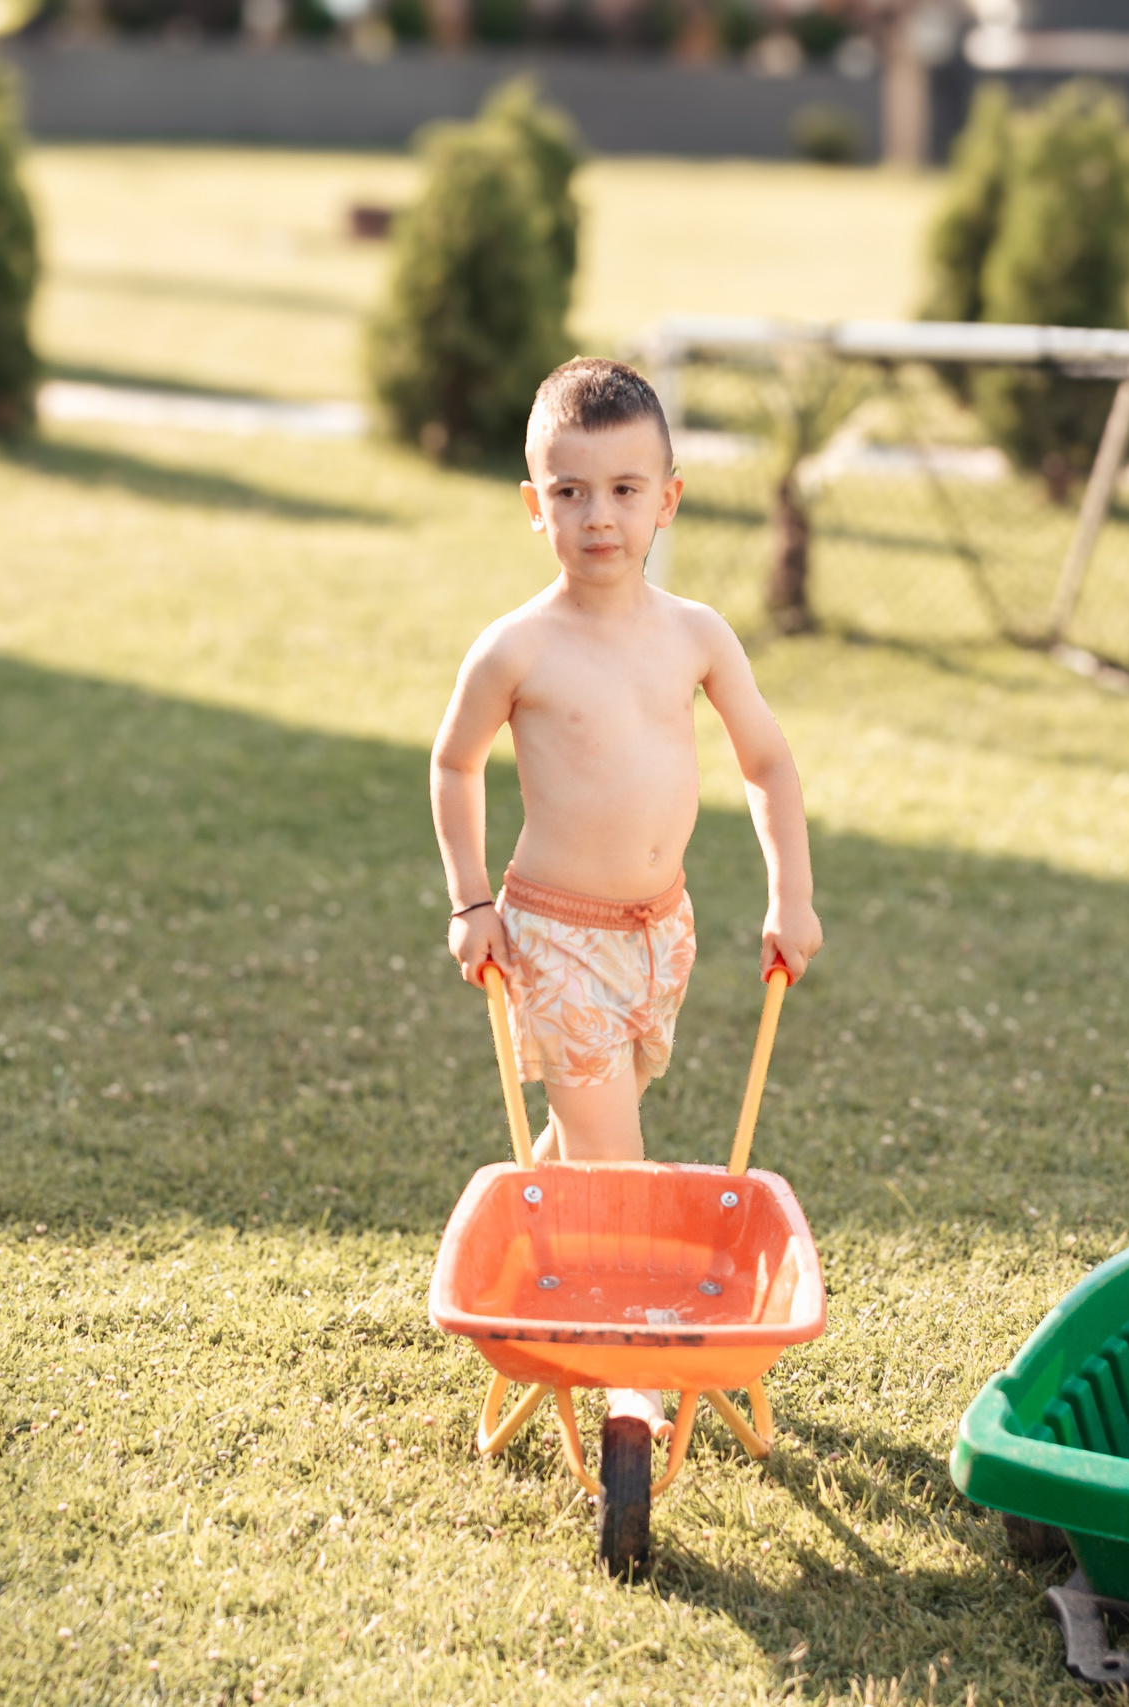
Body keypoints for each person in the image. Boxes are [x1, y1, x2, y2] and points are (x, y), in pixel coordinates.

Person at [429, 356, 823, 1439]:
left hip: (662, 934)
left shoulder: (695, 633)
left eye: (622, 489)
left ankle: (525, 1261)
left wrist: (790, 894)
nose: (597, 516)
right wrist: (470, 902)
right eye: (569, 491)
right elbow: (454, 763)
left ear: (668, 499)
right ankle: (627, 1375)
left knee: (589, 1138)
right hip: (554, 937)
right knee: (618, 1164)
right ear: (534, 504)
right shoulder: (518, 647)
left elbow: (767, 764)